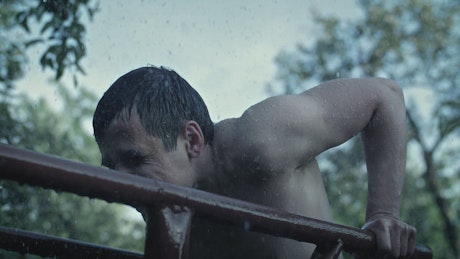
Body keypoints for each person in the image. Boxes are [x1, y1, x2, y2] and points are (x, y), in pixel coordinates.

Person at [93, 66, 416, 258]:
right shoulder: (165, 204)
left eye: (136, 159)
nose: (123, 184)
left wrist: (383, 214)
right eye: (113, 168)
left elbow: (384, 95)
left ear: (191, 140)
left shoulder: (260, 141)